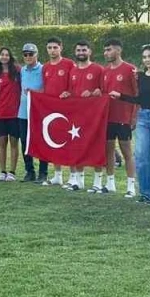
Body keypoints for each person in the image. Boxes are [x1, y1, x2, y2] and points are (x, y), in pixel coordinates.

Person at [111, 43, 150, 204]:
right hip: (143, 117)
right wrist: (121, 96)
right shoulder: (141, 77)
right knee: (142, 156)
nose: (147, 60)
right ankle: (145, 193)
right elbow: (140, 99)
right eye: (144, 57)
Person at [61, 41, 104, 192]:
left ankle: (97, 182)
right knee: (77, 146)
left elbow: (103, 91)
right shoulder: (72, 71)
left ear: (90, 51)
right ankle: (79, 181)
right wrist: (67, 93)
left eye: (84, 50)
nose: (81, 53)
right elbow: (71, 91)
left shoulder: (98, 69)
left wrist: (93, 93)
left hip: (94, 116)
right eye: (78, 50)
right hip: (77, 115)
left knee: (95, 147)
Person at [100, 38, 138, 198]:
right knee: (108, 151)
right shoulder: (105, 71)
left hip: (124, 117)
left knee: (127, 152)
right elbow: (103, 94)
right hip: (108, 118)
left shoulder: (130, 69)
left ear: (118, 50)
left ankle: (131, 186)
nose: (106, 53)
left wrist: (134, 116)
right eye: (105, 50)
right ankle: (110, 183)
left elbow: (137, 95)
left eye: (109, 49)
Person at [40, 37, 74, 186]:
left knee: (69, 141)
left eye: (55, 47)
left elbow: (74, 84)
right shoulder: (45, 67)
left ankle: (73, 175)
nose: (52, 50)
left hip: (67, 109)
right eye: (49, 48)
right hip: (51, 110)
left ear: (61, 48)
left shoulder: (69, 64)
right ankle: (57, 175)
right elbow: (45, 87)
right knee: (53, 140)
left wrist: (69, 93)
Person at [16, 43, 47, 183]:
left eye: (31, 54)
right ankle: (29, 171)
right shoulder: (22, 70)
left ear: (36, 55)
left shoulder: (43, 69)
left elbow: (47, 89)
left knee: (40, 141)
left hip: (39, 112)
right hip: (23, 112)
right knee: (24, 141)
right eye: (25, 54)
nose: (28, 57)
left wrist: (35, 93)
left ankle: (43, 173)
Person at [0, 47, 22, 181]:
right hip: (0, 113)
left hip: (15, 113)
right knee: (2, 143)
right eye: (2, 55)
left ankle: (12, 172)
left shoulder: (17, 71)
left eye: (6, 55)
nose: (4, 57)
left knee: (14, 143)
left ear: (10, 57)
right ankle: (2, 171)